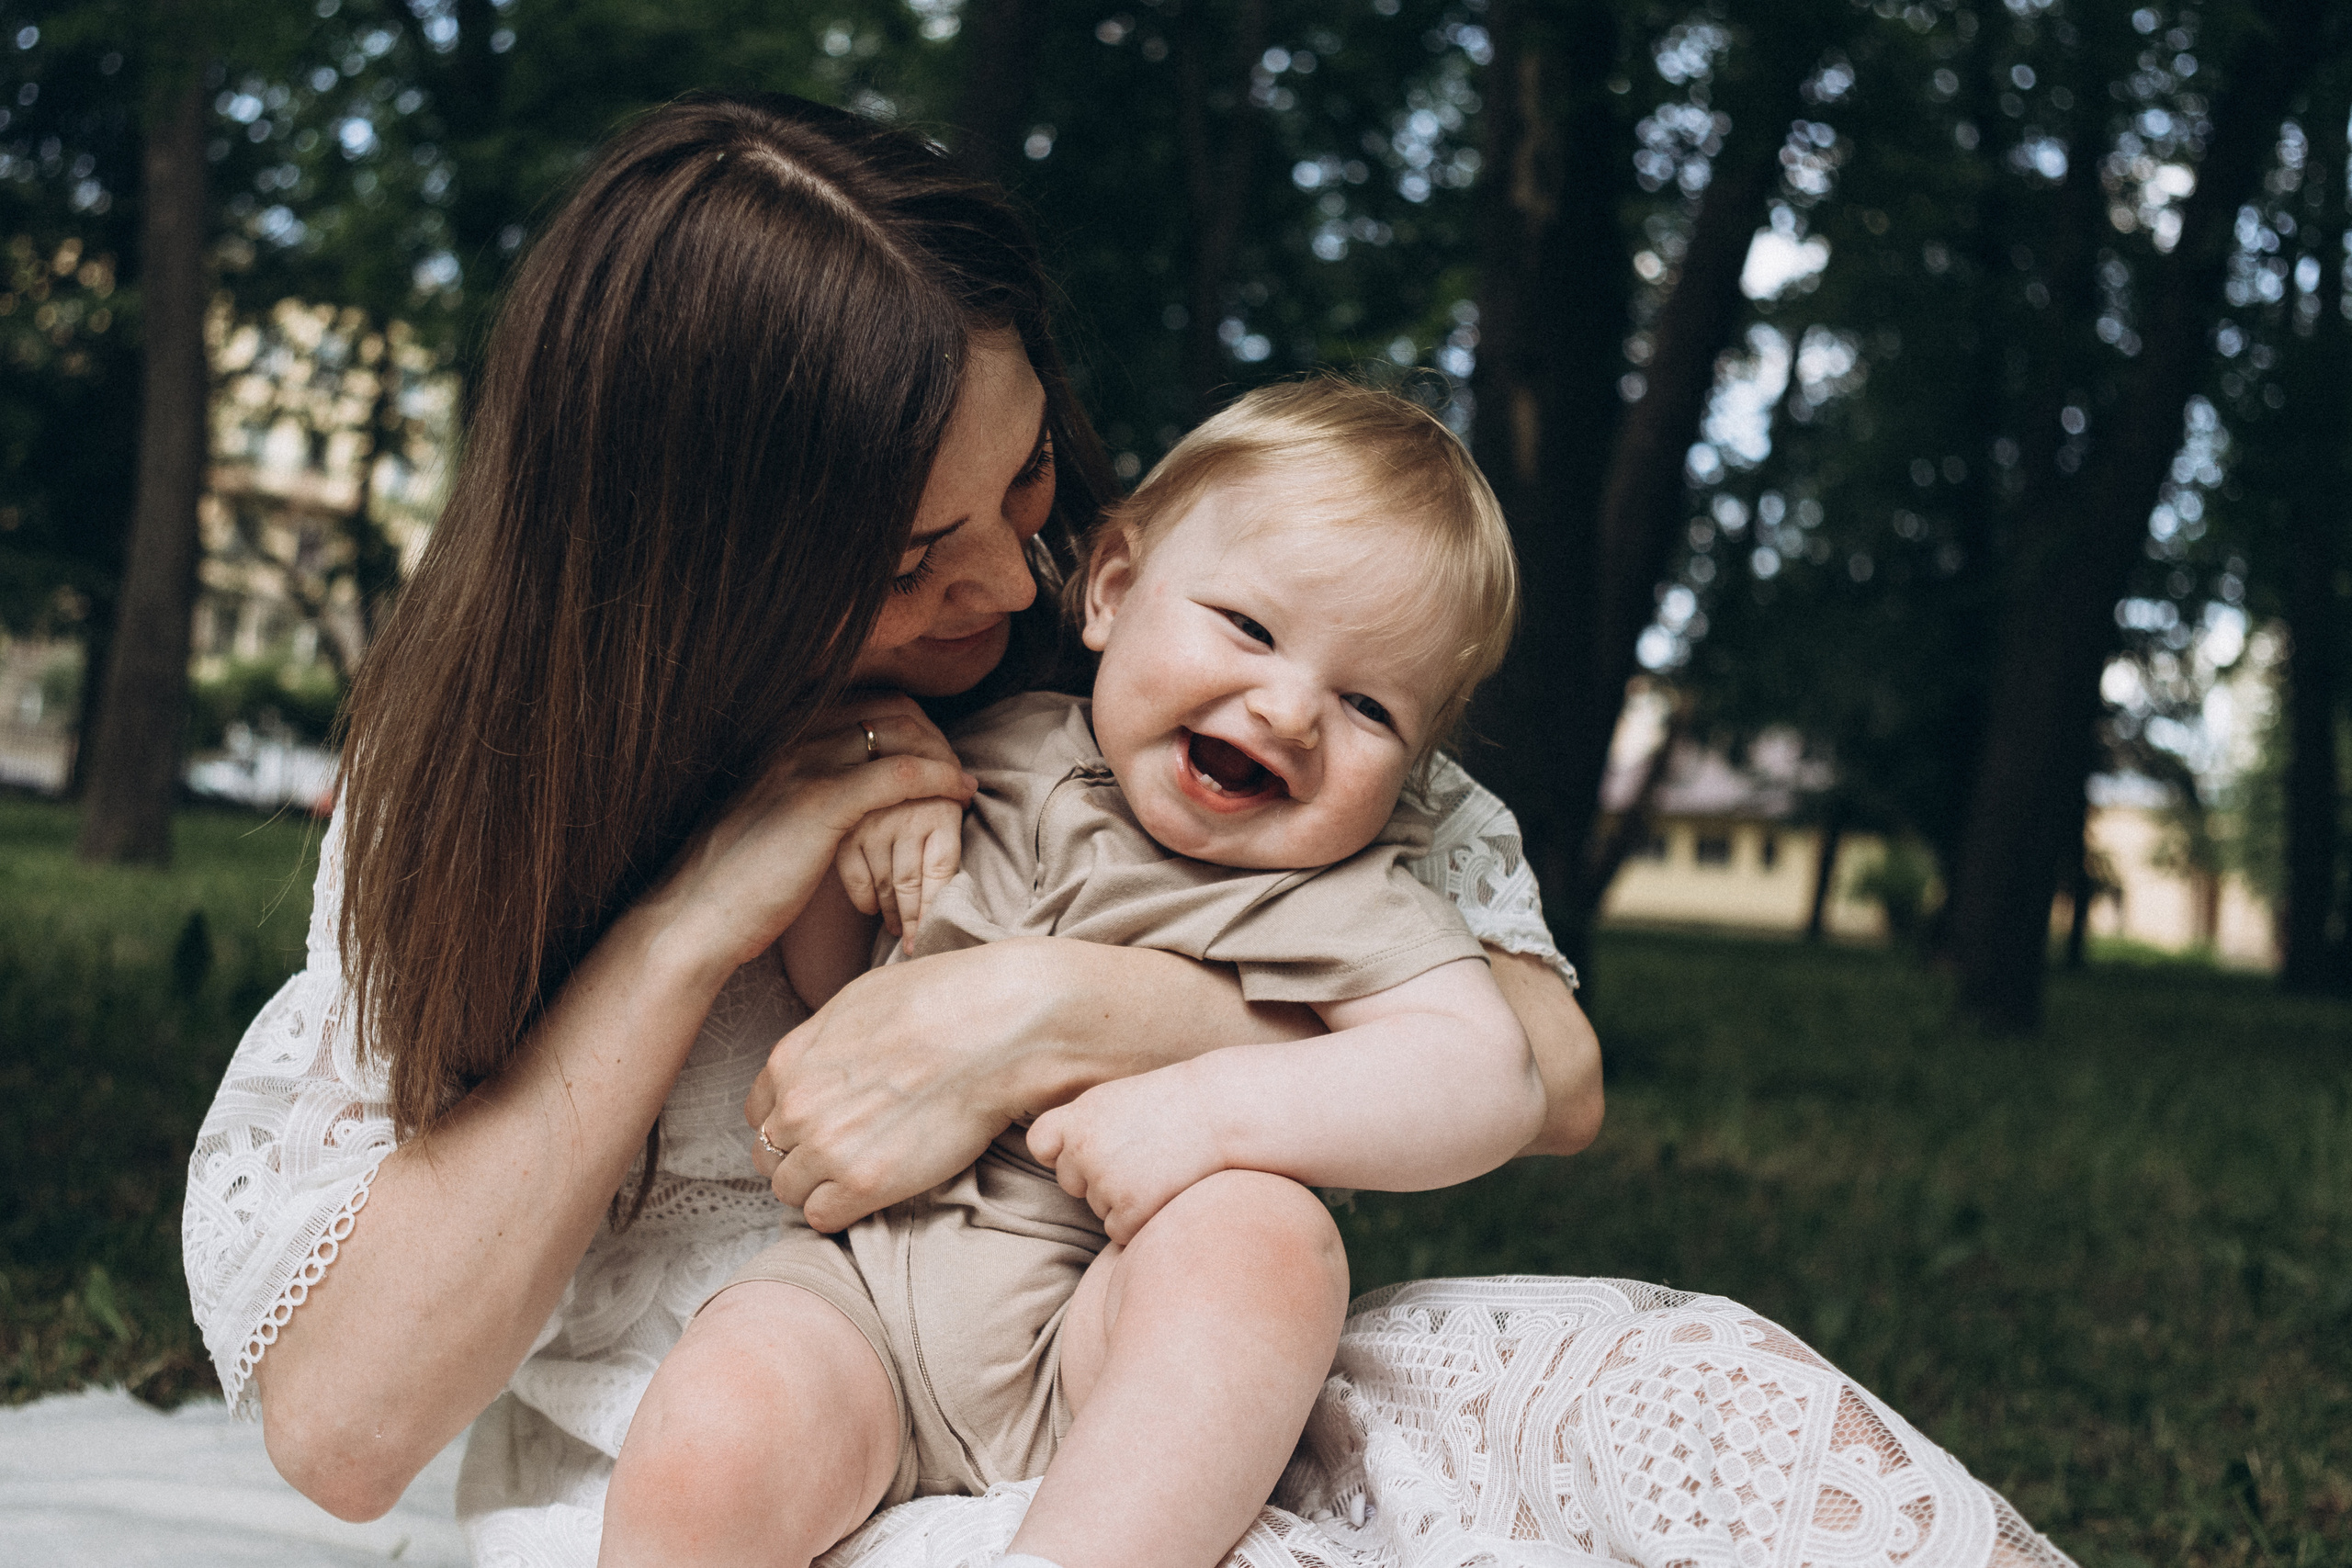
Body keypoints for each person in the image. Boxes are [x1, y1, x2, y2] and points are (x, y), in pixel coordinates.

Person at [182, 92, 2072, 1568]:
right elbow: (347, 1429)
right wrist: (698, 918)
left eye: (1024, 483)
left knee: (1680, 1394)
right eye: (923, 550)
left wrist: (1053, 1012)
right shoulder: (493, 790)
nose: (1008, 564)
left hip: (1123, 1331)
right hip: (736, 1418)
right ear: (707, 573)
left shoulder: (1166, 664)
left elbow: (1543, 1072)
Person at [603, 378, 1546, 1568]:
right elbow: (836, 997)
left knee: (1260, 1240)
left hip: (1109, 1320)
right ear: (1111, 592)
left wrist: (1206, 1110)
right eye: (1251, 629)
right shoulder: (986, 756)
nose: (1292, 710)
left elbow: (1491, 1078)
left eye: (1368, 705)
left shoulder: (1335, 891)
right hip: (868, 1306)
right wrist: (863, 854)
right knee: (708, 1435)